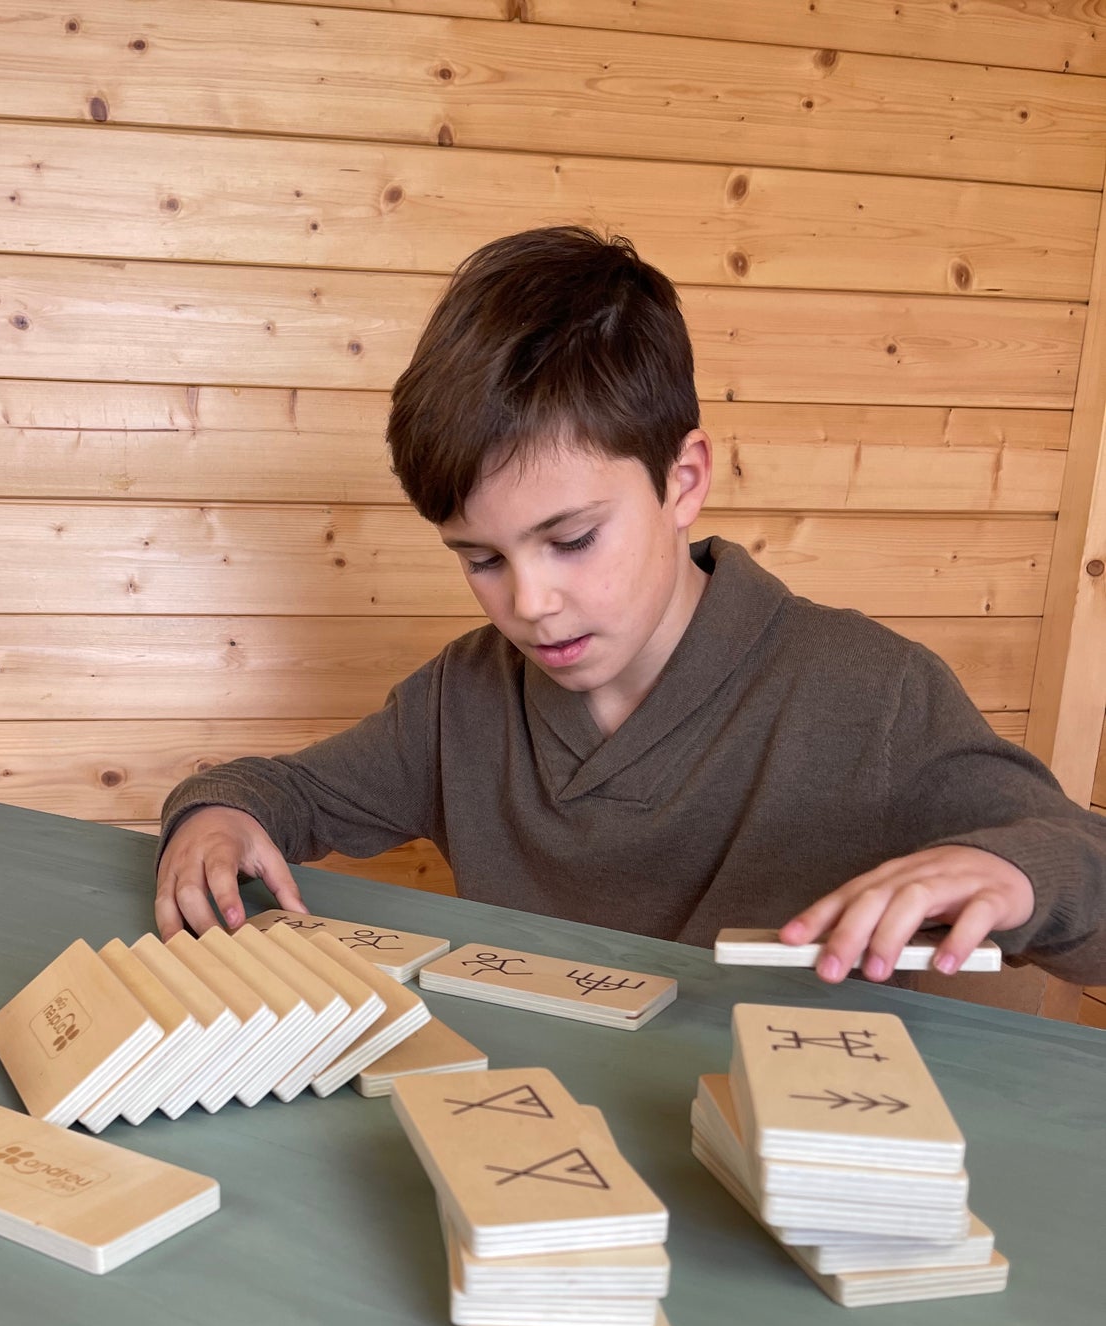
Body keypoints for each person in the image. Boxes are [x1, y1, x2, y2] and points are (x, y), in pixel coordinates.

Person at [154, 226, 1106, 987]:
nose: (529, 604)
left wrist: (1018, 874)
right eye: (480, 558)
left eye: (570, 540)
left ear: (682, 479)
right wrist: (217, 815)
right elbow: (284, 793)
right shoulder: (462, 699)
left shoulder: (873, 694)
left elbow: (1078, 867)